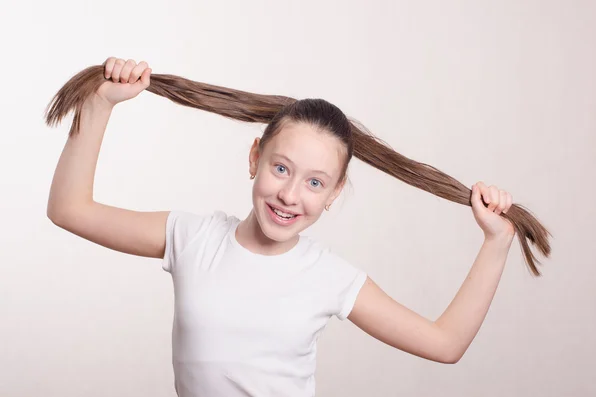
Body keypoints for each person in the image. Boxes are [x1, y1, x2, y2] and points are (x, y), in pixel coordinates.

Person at [47, 57, 517, 397]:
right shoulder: (193, 239)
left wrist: (497, 242)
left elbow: (445, 343)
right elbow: (70, 209)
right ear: (255, 158)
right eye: (281, 169)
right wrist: (99, 104)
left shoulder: (330, 277)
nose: (291, 195)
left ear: (334, 194)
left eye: (315, 182)